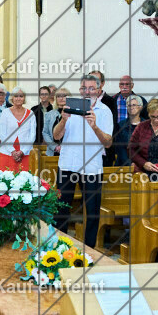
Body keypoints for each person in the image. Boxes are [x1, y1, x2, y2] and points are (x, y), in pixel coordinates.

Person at [52, 74, 113, 249]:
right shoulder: (69, 107)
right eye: (84, 88)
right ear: (79, 90)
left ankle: (89, 251)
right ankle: (59, 248)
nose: (87, 92)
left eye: (91, 88)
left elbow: (108, 143)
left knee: (92, 212)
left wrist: (94, 126)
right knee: (61, 209)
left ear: (99, 90)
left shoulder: (104, 111)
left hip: (92, 167)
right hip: (68, 164)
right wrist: (63, 120)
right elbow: (56, 136)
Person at [0, 87, 36, 172]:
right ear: (12, 98)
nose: (18, 98)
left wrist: (22, 151)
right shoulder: (5, 113)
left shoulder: (31, 114)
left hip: (25, 154)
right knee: (6, 180)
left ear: (24, 98)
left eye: (21, 96)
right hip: (7, 153)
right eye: (16, 96)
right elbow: (2, 135)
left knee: (24, 182)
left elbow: (32, 136)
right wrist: (13, 151)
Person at [111, 95, 144, 166]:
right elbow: (120, 149)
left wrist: (141, 163)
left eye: (134, 105)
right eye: (129, 105)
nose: (131, 107)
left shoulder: (147, 125)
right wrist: (130, 163)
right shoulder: (120, 125)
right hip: (123, 165)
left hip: (143, 165)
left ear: (140, 107)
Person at [43, 89, 69, 156]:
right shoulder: (49, 114)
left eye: (64, 96)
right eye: (59, 96)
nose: (61, 98)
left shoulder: (73, 115)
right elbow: (45, 133)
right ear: (56, 99)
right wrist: (55, 147)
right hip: (53, 152)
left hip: (69, 152)